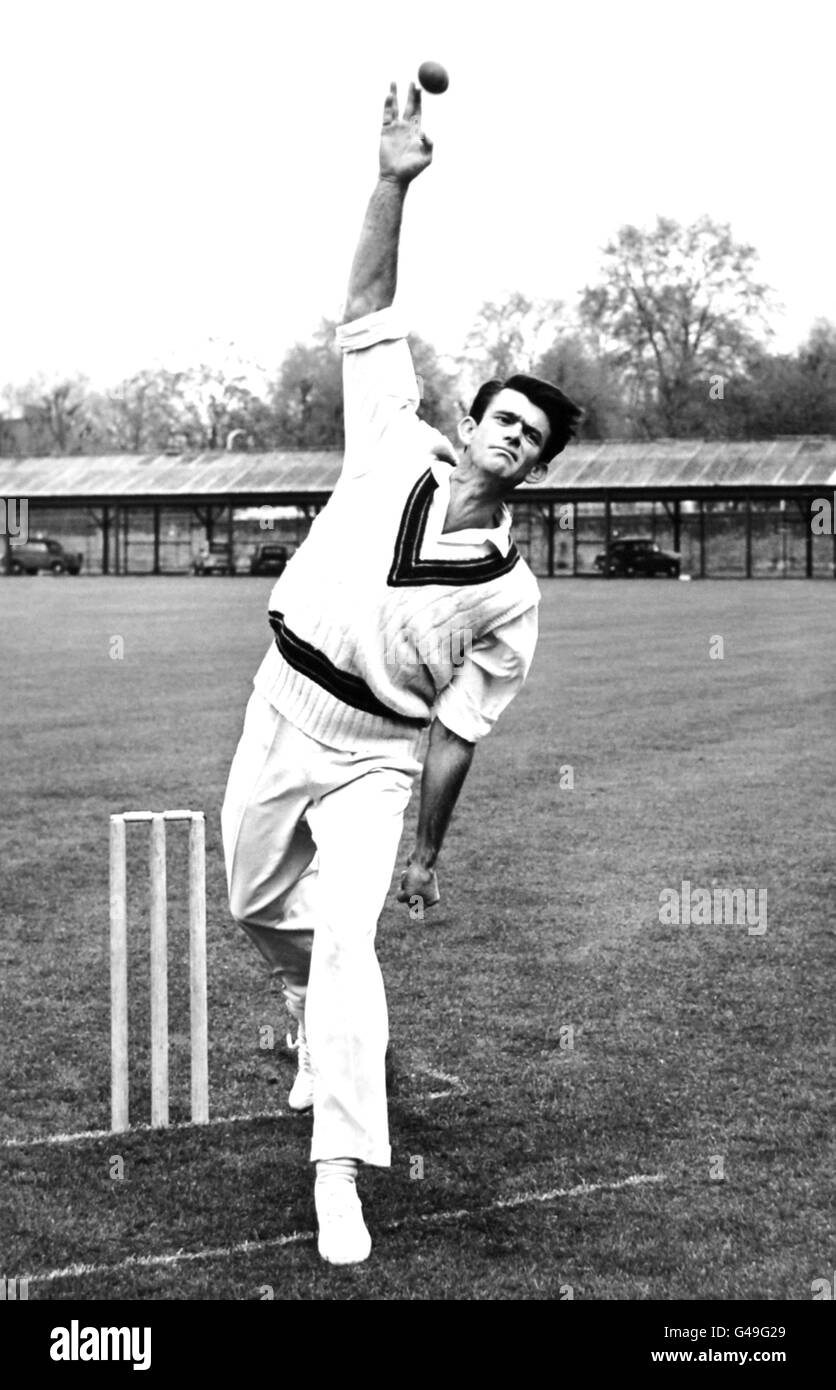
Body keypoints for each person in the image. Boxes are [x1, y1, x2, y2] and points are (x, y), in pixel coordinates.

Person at [221, 80, 581, 1265]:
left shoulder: (509, 590)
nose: (510, 436)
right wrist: (390, 179)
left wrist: (428, 848)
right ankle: (314, 1019)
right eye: (503, 417)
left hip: (378, 752)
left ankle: (339, 1173)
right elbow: (366, 307)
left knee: (347, 944)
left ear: (536, 466)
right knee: (255, 903)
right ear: (472, 419)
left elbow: (460, 730)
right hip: (281, 704)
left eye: (533, 436)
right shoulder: (391, 438)